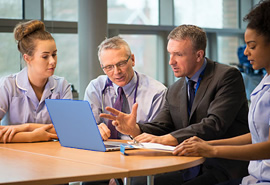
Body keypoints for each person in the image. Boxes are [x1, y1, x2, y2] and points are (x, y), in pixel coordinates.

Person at [100, 25, 249, 185]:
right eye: (170, 54)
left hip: (221, 166)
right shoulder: (175, 89)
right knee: (139, 182)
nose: (171, 61)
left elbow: (214, 124)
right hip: (188, 165)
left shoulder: (227, 77)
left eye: (178, 55)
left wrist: (168, 139)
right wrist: (135, 129)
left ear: (199, 55)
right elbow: (162, 125)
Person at [173, 0, 270, 184]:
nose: (246, 52)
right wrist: (206, 144)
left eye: (252, 46)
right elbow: (256, 136)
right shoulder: (267, 82)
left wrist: (212, 150)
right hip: (257, 178)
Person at [0, 20, 72, 143]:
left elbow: (69, 130)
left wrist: (26, 127)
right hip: (13, 158)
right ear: (27, 58)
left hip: (51, 156)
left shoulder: (62, 85)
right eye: (45, 56)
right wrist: (31, 136)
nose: (52, 61)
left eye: (54, 54)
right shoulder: (7, 85)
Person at [84, 36, 167, 141]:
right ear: (103, 68)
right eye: (109, 67)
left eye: (121, 64)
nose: (117, 72)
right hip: (104, 151)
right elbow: (87, 126)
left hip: (140, 151)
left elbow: (158, 135)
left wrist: (134, 130)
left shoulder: (157, 92)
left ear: (132, 60)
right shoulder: (95, 87)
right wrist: (94, 130)